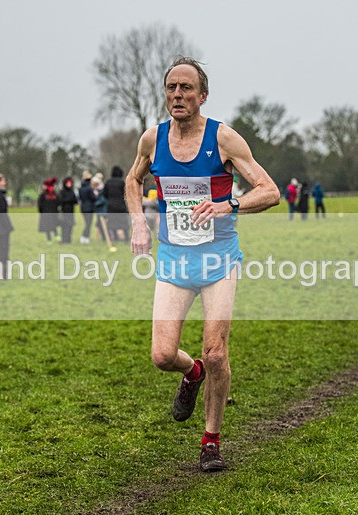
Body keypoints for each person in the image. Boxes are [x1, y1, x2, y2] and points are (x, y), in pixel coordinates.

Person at [124, 56, 280, 472]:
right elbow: (132, 180)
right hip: (174, 259)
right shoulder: (152, 140)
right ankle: (190, 372)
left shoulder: (224, 139)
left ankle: (211, 439)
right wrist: (138, 221)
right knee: (161, 355)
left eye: (186, 88)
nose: (178, 94)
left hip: (218, 259)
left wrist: (230, 204)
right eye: (172, 87)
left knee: (216, 352)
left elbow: (270, 191)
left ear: (202, 95)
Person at [103, 165, 128, 241]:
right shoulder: (122, 182)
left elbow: (104, 194)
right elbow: (126, 193)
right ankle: (126, 237)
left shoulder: (108, 182)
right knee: (123, 222)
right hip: (121, 205)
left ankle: (115, 237)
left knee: (112, 222)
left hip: (111, 206)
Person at [37, 177, 60, 242]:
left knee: (51, 225)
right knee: (49, 226)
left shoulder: (52, 194)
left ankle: (53, 237)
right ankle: (51, 238)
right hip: (48, 213)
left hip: (50, 212)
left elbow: (58, 202)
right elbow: (40, 204)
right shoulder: (44, 195)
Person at [58, 176, 78, 244]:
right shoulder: (62, 192)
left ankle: (68, 240)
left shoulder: (72, 192)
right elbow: (60, 201)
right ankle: (64, 240)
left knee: (70, 226)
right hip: (64, 212)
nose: (69, 184)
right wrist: (69, 200)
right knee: (64, 226)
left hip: (71, 212)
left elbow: (75, 201)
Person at [78, 171, 96, 244]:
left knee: (87, 223)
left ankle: (85, 237)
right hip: (89, 207)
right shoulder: (89, 188)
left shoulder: (81, 188)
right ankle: (84, 237)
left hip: (83, 207)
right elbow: (93, 198)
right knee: (88, 223)